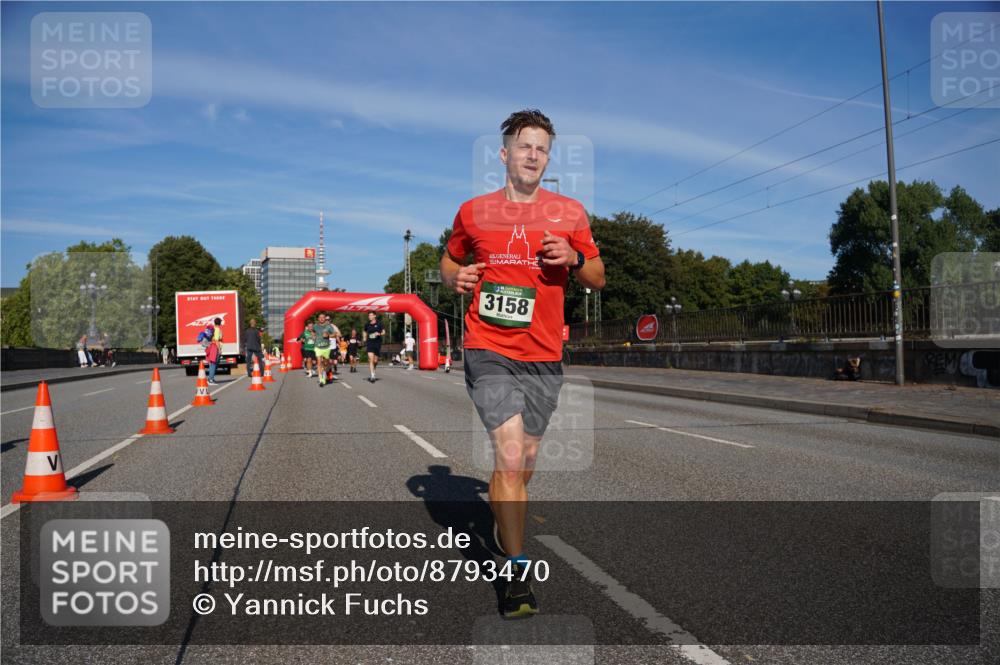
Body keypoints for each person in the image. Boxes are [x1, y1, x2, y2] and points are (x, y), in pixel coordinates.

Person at [440, 109, 605, 618]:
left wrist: (574, 261)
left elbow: (598, 276)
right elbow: (449, 260)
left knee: (525, 460)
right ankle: (515, 574)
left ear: (548, 157)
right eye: (524, 146)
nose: (533, 155)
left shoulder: (569, 212)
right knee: (510, 457)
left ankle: (502, 514)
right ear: (504, 154)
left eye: (542, 148)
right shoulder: (474, 212)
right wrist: (457, 277)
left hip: (543, 354)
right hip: (488, 347)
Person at [313, 313, 337, 386]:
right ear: (318, 319)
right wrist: (313, 336)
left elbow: (335, 334)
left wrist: (328, 335)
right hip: (318, 347)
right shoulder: (315, 326)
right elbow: (313, 332)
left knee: (326, 364)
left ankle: (324, 375)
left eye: (323, 317)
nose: (321, 318)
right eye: (320, 317)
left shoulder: (329, 326)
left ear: (325, 318)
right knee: (319, 362)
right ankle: (321, 379)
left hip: (326, 347)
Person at [363, 311, 384, 383]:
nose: (369, 317)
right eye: (369, 315)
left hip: (377, 343)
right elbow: (365, 331)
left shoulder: (379, 323)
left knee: (375, 361)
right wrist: (364, 338)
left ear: (375, 316)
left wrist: (379, 333)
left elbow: (384, 332)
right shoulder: (367, 324)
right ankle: (372, 375)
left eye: (371, 315)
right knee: (371, 359)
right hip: (370, 343)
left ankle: (374, 372)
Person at [206, 317, 223, 385]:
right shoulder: (217, 329)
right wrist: (219, 349)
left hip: (211, 347)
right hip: (215, 348)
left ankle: (211, 378)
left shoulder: (213, 329)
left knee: (212, 363)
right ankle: (210, 380)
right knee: (213, 364)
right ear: (220, 323)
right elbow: (216, 340)